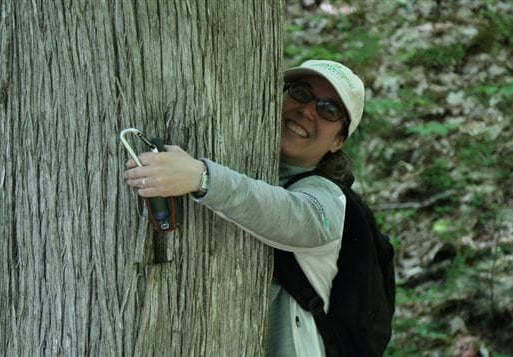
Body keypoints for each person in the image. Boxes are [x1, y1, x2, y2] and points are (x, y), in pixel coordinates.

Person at [124, 59, 365, 356]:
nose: (307, 110)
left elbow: (297, 216)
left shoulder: (331, 200)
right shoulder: (249, 162)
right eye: (302, 93)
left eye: (329, 110)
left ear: (338, 141)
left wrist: (202, 178)